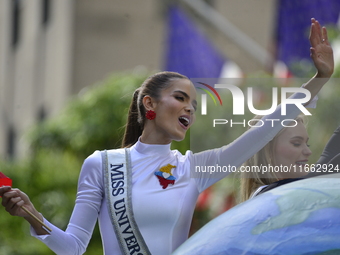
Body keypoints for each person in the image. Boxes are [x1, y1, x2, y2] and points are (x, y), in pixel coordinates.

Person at [0, 18, 334, 255]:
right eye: (180, 98)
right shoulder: (101, 165)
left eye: (193, 102)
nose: (189, 108)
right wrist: (34, 217)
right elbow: (73, 248)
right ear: (149, 104)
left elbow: (264, 130)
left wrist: (318, 79)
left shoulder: (193, 168)